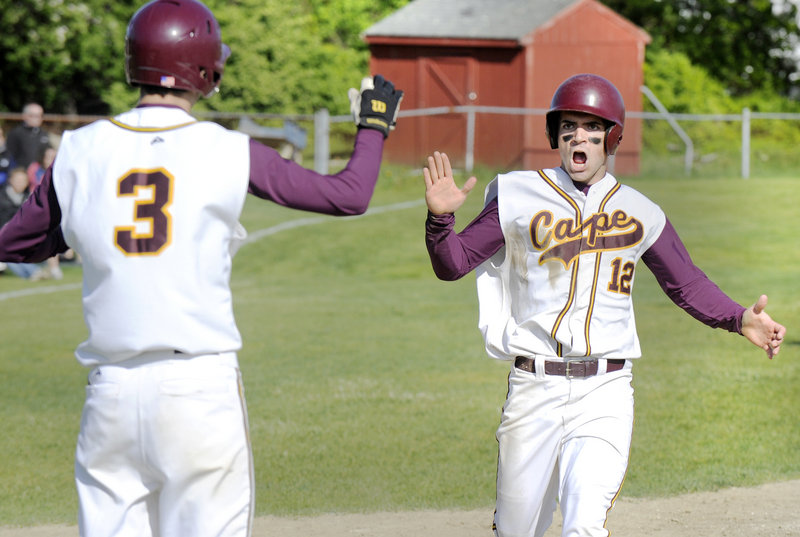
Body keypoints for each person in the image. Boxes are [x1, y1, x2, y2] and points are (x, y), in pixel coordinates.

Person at [0, 0, 402, 535]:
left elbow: (17, 243)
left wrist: (75, 228)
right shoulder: (227, 149)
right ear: (206, 69)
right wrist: (372, 125)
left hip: (111, 395)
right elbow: (348, 196)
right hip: (198, 389)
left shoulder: (80, 148)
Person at [421, 73, 785, 537]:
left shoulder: (640, 210)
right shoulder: (517, 194)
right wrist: (440, 219)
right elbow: (452, 263)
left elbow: (686, 283)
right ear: (555, 135)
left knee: (583, 526)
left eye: (593, 128)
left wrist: (738, 319)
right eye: (569, 126)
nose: (579, 136)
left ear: (612, 137)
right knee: (515, 531)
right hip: (534, 386)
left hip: (606, 391)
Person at [0, 167, 45, 279]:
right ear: (11, 180)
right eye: (17, 180)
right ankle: (34, 272)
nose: (20, 183)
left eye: (23, 181)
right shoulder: (1, 197)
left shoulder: (28, 198)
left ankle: (32, 273)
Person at [6, 102, 51, 169]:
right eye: (33, 115)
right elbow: (9, 156)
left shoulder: (44, 134)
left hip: (39, 174)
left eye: (39, 116)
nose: (37, 119)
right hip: (22, 173)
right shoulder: (16, 133)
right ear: (24, 116)